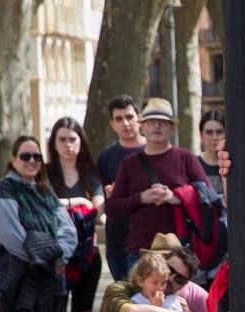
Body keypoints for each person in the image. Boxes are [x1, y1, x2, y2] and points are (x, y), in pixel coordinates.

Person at [104, 96, 219, 285]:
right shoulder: (130, 163)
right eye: (151, 122)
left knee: (179, 309)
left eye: (163, 122)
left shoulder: (186, 158)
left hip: (179, 252)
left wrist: (176, 196)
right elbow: (113, 208)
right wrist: (142, 198)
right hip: (140, 251)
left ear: (172, 127)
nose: (157, 126)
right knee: (142, 308)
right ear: (142, 126)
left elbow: (208, 196)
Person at [0, 135, 76, 312]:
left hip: (50, 276)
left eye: (37, 156)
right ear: (14, 160)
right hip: (15, 277)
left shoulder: (46, 191)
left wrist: (59, 257)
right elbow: (8, 232)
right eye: (25, 156)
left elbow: (67, 229)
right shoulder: (5, 190)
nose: (32, 161)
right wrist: (41, 257)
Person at [47, 117, 105, 312]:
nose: (68, 145)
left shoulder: (91, 175)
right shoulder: (45, 174)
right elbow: (43, 205)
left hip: (88, 253)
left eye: (73, 139)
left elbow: (98, 211)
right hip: (55, 254)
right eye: (62, 139)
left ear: (81, 142)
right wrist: (79, 201)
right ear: (53, 143)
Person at [96, 96, 146, 282]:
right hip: (117, 241)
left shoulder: (154, 150)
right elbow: (100, 195)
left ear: (139, 118)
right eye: (119, 119)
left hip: (148, 241)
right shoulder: (105, 158)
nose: (125, 123)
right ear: (112, 124)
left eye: (129, 117)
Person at [199, 109, 228, 198]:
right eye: (209, 132)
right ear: (201, 135)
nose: (214, 137)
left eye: (219, 132)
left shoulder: (233, 164)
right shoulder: (194, 164)